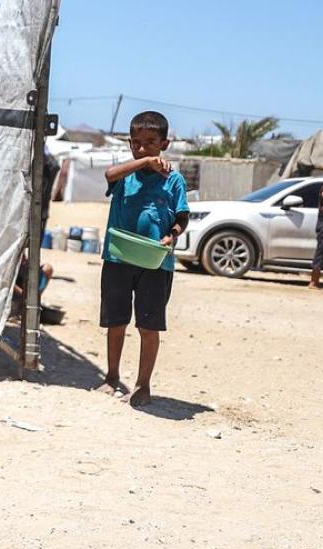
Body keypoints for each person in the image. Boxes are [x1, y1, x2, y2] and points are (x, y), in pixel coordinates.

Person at [95, 111, 189, 408]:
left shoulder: (173, 180)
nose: (142, 148)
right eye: (136, 143)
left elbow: (182, 217)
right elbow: (109, 175)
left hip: (155, 264)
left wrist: (171, 235)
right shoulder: (125, 175)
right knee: (116, 322)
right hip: (118, 257)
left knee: (148, 326)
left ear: (165, 143)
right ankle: (111, 377)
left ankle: (142, 384)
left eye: (150, 143)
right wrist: (145, 162)